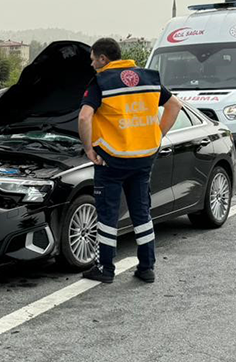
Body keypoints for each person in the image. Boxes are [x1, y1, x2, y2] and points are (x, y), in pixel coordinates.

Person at [77, 38, 182, 284]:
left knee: (108, 215)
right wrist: (157, 135)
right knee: (142, 212)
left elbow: (84, 117)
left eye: (93, 59)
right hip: (143, 158)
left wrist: (89, 150)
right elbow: (175, 106)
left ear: (103, 59)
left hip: (111, 160)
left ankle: (105, 269)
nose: (92, 64)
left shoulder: (101, 81)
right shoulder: (148, 78)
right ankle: (146, 268)